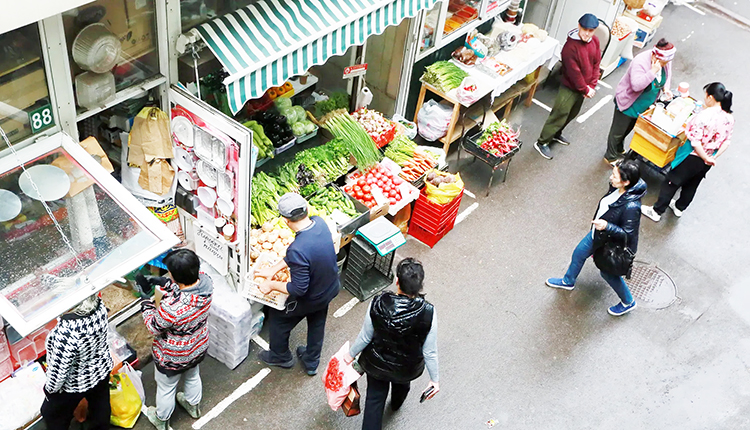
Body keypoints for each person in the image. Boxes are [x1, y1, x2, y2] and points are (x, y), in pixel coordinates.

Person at [343, 258, 439, 430]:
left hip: (376, 365)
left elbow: (365, 337)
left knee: (374, 401)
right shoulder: (428, 312)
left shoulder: (378, 302)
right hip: (406, 368)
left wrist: (349, 355)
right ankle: (396, 404)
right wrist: (434, 380)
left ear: (397, 282)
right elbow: (429, 351)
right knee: (402, 386)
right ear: (420, 285)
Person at [546, 160, 646, 316]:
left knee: (608, 274)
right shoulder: (618, 188)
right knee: (579, 253)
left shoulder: (632, 207)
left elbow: (627, 234)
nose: (611, 178)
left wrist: (607, 226)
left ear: (626, 182)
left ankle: (628, 302)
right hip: (598, 235)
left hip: (610, 243)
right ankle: (568, 281)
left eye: (615, 175)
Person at [256, 192, 339, 376]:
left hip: (311, 296)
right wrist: (272, 270)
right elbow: (297, 257)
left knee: (278, 318)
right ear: (306, 210)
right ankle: (311, 361)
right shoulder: (319, 223)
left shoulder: (298, 248)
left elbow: (298, 289)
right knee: (317, 321)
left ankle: (280, 356)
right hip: (329, 287)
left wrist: (271, 285)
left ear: (286, 220)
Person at [139, 249, 213, 430]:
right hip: (198, 345)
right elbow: (186, 288)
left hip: (173, 355)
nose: (168, 274)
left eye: (169, 272)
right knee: (193, 376)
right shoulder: (206, 283)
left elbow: (153, 326)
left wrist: (145, 301)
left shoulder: (172, 308)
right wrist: (165, 282)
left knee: (166, 388)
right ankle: (193, 406)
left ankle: (161, 420)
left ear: (177, 276)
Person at [641, 82, 734, 221]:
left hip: (692, 156)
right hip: (708, 158)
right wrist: (711, 158)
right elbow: (726, 141)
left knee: (672, 181)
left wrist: (703, 156)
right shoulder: (729, 118)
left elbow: (695, 142)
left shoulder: (705, 115)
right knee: (692, 183)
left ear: (711, 97)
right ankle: (679, 207)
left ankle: (657, 211)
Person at [534, 13, 601, 160]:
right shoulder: (570, 47)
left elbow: (597, 63)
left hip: (585, 88)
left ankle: (556, 134)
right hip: (570, 87)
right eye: (584, 29)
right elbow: (573, 73)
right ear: (579, 26)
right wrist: (586, 89)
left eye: (591, 31)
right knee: (559, 113)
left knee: (572, 113)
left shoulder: (594, 41)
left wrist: (592, 85)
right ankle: (542, 142)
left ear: (595, 31)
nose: (587, 33)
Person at [41, 295, 113, 430]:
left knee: (51, 413)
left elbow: (58, 375)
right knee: (101, 408)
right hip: (100, 370)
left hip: (74, 385)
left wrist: (49, 391)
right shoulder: (99, 307)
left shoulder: (65, 333)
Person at [605, 38, 676, 165]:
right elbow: (636, 85)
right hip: (629, 102)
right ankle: (610, 156)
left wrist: (666, 89)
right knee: (618, 131)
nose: (666, 64)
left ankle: (619, 149)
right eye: (663, 62)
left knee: (629, 128)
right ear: (655, 56)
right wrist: (653, 71)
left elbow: (668, 73)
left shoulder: (665, 61)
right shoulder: (641, 61)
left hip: (644, 104)